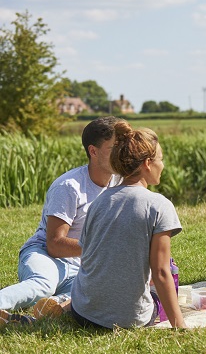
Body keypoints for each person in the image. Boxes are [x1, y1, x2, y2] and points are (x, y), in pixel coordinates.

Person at [0, 117, 122, 319]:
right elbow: (54, 244)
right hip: (45, 255)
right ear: (93, 151)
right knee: (43, 284)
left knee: (103, 289)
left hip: (81, 264)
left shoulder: (120, 183)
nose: (120, 155)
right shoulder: (69, 186)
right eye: (113, 149)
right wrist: (100, 248)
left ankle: (52, 307)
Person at [69, 123, 186, 329]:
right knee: (168, 275)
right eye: (161, 160)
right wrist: (180, 325)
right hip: (129, 319)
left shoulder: (98, 202)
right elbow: (160, 272)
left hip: (82, 312)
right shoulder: (159, 205)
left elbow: (88, 254)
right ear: (148, 163)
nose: (163, 166)